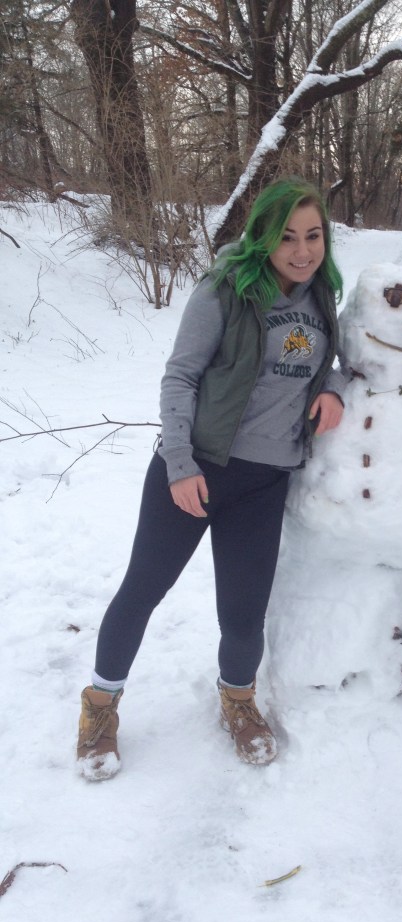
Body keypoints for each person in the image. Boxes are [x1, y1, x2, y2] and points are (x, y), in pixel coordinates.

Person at [76, 178, 345, 781]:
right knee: (142, 592)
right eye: (287, 237)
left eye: (314, 235)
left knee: (244, 614)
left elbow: (334, 360)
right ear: (263, 237)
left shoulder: (323, 295)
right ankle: (99, 707)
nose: (302, 251)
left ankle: (238, 701)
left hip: (265, 480)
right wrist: (179, 464)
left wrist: (330, 388)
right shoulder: (226, 288)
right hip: (196, 470)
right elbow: (180, 376)